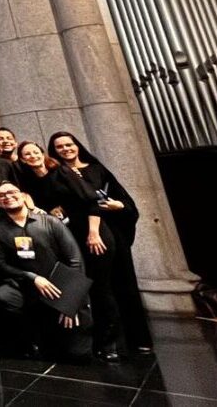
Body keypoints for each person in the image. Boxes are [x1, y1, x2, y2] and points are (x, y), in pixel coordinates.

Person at [17, 141, 121, 361]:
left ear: (42, 153)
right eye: (27, 154)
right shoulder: (30, 182)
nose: (32, 156)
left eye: (35, 152)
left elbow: (92, 200)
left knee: (101, 287)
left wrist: (93, 233)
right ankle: (85, 341)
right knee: (79, 284)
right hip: (67, 235)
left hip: (91, 232)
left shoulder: (62, 171)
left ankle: (110, 344)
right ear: (22, 160)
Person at [49, 131, 151, 352]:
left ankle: (137, 340)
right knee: (99, 286)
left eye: (69, 144)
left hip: (111, 230)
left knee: (124, 283)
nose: (66, 149)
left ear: (77, 145)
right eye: (59, 147)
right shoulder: (58, 174)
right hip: (83, 231)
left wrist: (120, 206)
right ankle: (107, 341)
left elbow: (123, 200)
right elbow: (58, 201)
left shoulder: (97, 168)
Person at [0, 181, 92, 362]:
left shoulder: (50, 222)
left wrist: (70, 303)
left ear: (23, 196)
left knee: (78, 355)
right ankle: (32, 337)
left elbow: (75, 260)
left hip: (62, 287)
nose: (7, 197)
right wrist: (33, 278)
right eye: (1, 195)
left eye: (12, 192)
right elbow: (1, 264)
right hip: (29, 287)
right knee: (2, 296)